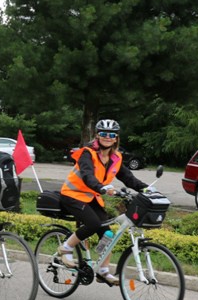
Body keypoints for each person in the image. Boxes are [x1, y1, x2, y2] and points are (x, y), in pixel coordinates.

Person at [58, 119, 148, 285]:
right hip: (73, 194)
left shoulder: (116, 158)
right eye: (104, 134)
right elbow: (87, 175)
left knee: (107, 234)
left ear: (116, 138)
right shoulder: (88, 153)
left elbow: (129, 179)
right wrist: (102, 187)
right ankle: (66, 248)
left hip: (92, 197)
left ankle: (103, 270)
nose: (108, 137)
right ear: (98, 136)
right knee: (92, 224)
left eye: (111, 134)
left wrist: (147, 189)